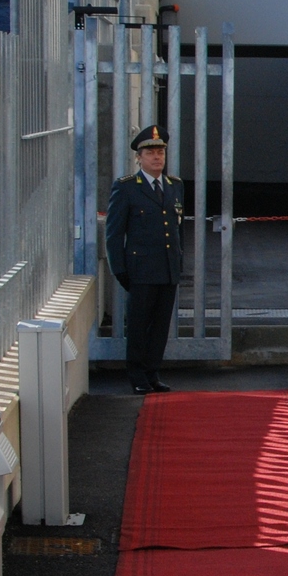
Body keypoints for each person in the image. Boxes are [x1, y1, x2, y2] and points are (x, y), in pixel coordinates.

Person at [104, 125, 184, 395]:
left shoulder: (174, 186)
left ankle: (153, 373)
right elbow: (114, 234)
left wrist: (178, 263)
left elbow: (176, 228)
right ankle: (137, 375)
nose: (157, 157)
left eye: (160, 151)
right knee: (139, 325)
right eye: (150, 152)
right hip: (140, 269)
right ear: (139, 157)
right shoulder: (127, 188)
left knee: (160, 326)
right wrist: (120, 269)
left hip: (167, 268)